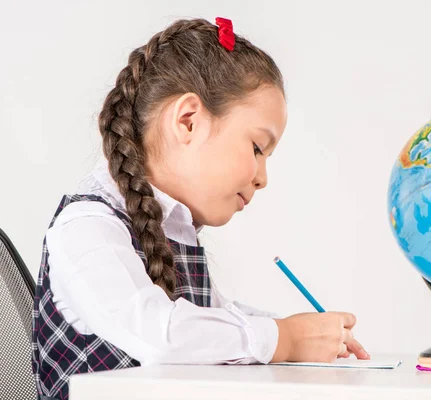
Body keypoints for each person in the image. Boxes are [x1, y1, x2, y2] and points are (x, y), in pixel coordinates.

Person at [31, 17, 369, 400]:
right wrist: (285, 339)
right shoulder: (86, 228)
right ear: (188, 121)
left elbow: (216, 322)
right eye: (258, 148)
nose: (263, 178)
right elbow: (161, 335)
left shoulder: (174, 233)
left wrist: (305, 333)